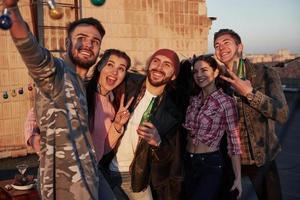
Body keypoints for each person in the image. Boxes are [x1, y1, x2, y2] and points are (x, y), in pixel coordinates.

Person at [4, 0, 106, 199]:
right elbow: (32, 51)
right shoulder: (57, 73)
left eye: (95, 41)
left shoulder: (81, 83)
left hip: (89, 181)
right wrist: (12, 10)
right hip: (65, 189)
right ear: (67, 43)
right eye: (82, 38)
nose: (89, 44)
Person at [213, 29, 289, 200]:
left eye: (226, 43)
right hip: (230, 160)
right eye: (217, 45)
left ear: (240, 47)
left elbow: (282, 114)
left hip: (261, 159)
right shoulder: (217, 81)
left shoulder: (265, 73)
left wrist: (250, 93)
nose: (221, 48)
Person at [100, 49, 183, 200]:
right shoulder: (127, 84)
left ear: (174, 75)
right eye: (156, 61)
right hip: (103, 168)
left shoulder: (172, 113)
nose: (159, 67)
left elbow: (170, 155)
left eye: (167, 64)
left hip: (135, 177)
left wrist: (157, 142)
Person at [182, 55, 242, 200]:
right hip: (188, 162)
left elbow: (234, 142)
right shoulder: (193, 100)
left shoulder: (226, 102)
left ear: (215, 73)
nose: (199, 75)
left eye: (204, 70)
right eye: (195, 71)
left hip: (209, 164)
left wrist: (238, 178)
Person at [86, 49, 133, 162]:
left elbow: (104, 149)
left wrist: (117, 125)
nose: (114, 72)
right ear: (99, 67)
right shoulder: (80, 92)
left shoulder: (113, 106)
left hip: (92, 170)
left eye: (121, 69)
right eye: (110, 65)